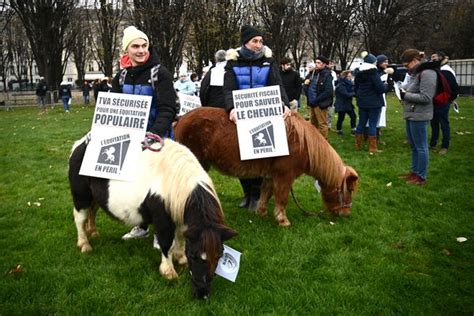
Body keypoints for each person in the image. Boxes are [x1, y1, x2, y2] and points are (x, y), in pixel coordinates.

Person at [111, 26, 177, 245]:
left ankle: (162, 231)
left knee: (160, 190)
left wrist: (154, 134)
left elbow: (168, 108)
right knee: (137, 185)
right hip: (132, 143)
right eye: (135, 46)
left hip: (159, 141)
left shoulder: (160, 74)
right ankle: (141, 225)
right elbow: (114, 109)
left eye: (144, 45)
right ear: (126, 50)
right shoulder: (120, 77)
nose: (141, 50)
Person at [223, 25, 291, 210]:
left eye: (261, 41)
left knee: (262, 154)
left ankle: (258, 195)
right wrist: (231, 108)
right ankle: (247, 193)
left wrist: (284, 103)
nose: (259, 44)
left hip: (264, 114)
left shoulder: (268, 61)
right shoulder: (233, 63)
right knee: (242, 155)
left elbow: (277, 85)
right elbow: (228, 89)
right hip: (241, 115)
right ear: (245, 42)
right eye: (255, 41)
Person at [398, 48, 438, 185]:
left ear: (415, 61)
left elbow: (426, 97)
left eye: (407, 65)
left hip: (420, 115)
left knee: (421, 147)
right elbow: (410, 88)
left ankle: (421, 176)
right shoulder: (417, 72)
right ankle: (414, 172)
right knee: (414, 146)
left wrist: (405, 95)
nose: (406, 68)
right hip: (412, 113)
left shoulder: (428, 73)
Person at [354, 51, 389, 153]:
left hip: (362, 102)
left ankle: (357, 145)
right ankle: (372, 147)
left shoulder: (358, 74)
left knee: (361, 123)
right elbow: (380, 88)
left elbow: (355, 88)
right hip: (374, 103)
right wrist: (386, 86)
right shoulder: (373, 73)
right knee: (373, 124)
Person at [429, 51, 459, 155]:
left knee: (443, 124)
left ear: (441, 57)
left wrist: (448, 99)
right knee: (434, 123)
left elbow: (454, 88)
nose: (432, 59)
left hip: (443, 101)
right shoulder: (436, 69)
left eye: (435, 57)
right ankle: (433, 143)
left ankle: (445, 146)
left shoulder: (446, 70)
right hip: (434, 100)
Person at [306, 55, 334, 139]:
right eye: (316, 62)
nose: (316, 64)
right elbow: (309, 87)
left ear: (324, 64)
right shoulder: (313, 73)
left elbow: (328, 91)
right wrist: (306, 85)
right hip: (312, 103)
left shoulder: (327, 75)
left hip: (320, 103)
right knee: (313, 124)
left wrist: (317, 100)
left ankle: (323, 143)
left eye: (318, 63)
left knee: (322, 124)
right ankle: (314, 141)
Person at [334, 70, 356, 135]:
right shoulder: (340, 85)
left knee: (353, 116)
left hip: (347, 104)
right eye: (348, 76)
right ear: (345, 77)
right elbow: (346, 94)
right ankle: (339, 130)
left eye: (350, 76)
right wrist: (355, 93)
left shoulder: (349, 84)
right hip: (341, 104)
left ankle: (353, 129)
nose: (350, 78)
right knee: (341, 118)